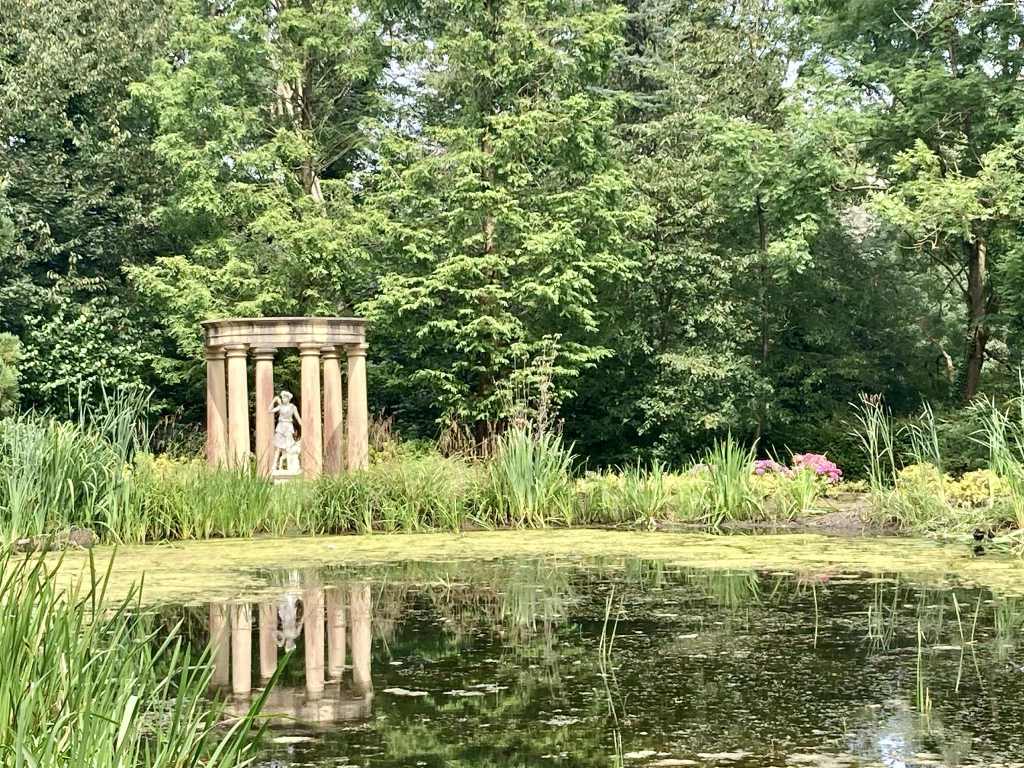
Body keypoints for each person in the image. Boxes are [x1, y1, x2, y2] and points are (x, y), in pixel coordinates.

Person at [270, 391, 301, 472]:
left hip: (288, 427)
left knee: (288, 447)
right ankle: (274, 465)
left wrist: (303, 426)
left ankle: (289, 466)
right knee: (278, 447)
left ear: (288, 398)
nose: (283, 399)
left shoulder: (293, 407)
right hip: (280, 427)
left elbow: (298, 418)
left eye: (285, 397)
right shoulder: (280, 406)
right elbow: (269, 410)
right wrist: (274, 400)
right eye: (282, 397)